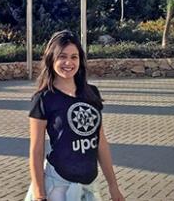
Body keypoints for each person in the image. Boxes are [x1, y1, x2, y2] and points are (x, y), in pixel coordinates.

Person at [26, 31, 124, 201]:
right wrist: (39, 194)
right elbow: (36, 151)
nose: (68, 62)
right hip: (58, 187)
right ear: (51, 59)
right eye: (62, 56)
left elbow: (100, 142)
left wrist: (113, 186)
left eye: (74, 57)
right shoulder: (44, 99)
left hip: (90, 186)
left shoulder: (91, 93)